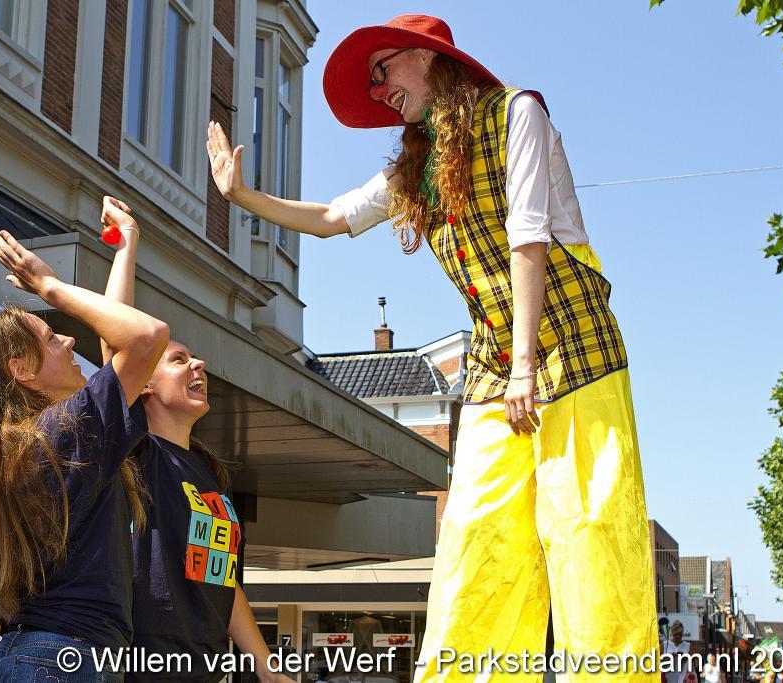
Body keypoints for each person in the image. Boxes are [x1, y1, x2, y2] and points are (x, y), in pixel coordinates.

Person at [208, 12, 657, 682]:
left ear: (426, 58)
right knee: (475, 536)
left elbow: (528, 238)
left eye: (382, 69)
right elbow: (331, 218)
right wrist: (242, 194)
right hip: (494, 363)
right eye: (372, 80)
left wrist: (527, 366)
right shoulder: (417, 170)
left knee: (586, 533)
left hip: (573, 348)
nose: (377, 88)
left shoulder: (518, 114)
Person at [0, 207, 169, 682]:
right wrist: (48, 286)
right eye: (51, 337)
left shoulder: (37, 438)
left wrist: (126, 245)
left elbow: (122, 348)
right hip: (63, 657)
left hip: (41, 654)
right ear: (20, 369)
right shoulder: (61, 430)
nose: (69, 339)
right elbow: (146, 337)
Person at [98, 198, 292, 683]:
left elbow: (223, 581)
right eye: (179, 359)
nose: (199, 364)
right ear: (143, 384)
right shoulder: (137, 451)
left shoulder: (208, 475)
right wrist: (127, 243)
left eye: (195, 359)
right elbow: (118, 339)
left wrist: (266, 669)